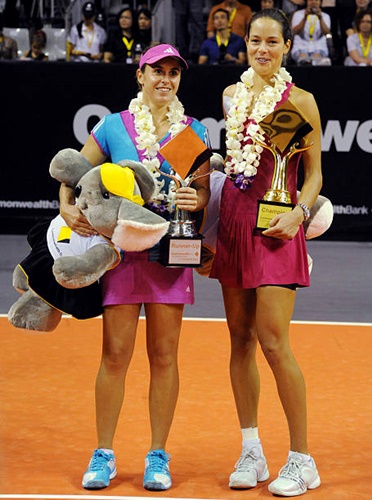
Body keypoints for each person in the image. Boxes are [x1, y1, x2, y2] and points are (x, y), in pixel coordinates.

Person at [58, 43, 211, 491]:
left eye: (173, 73)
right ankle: (103, 452)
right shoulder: (113, 126)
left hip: (169, 255)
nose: (166, 79)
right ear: (139, 75)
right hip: (121, 255)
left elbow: (201, 195)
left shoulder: (191, 131)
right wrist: (67, 208)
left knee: (164, 356)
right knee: (115, 354)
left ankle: (157, 455)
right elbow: (75, 175)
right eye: (157, 71)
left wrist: (195, 199)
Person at [209, 8, 323, 497]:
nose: (263, 49)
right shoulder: (231, 96)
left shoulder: (302, 101)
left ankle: (303, 460)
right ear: (246, 43)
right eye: (255, 41)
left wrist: (299, 214)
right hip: (235, 225)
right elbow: (233, 166)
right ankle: (251, 450)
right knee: (239, 341)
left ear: (286, 46)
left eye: (272, 42)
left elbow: (315, 174)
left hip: (278, 227)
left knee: (274, 342)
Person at [290, 0, 332, 65]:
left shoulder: (325, 16)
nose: (313, 2)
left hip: (319, 47)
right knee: (303, 59)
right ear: (307, 2)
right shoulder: (298, 14)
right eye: (311, 0)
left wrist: (320, 18)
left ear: (320, 2)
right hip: (301, 46)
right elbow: (296, 31)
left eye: (316, 0)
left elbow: (326, 32)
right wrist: (305, 17)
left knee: (317, 60)